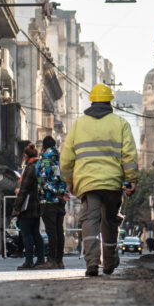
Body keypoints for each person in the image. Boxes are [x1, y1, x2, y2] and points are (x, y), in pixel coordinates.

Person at [60, 83, 139, 277]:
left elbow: (66, 158)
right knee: (110, 222)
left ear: (92, 101)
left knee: (90, 221)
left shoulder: (79, 124)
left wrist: (69, 180)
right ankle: (109, 262)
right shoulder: (120, 123)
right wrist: (131, 180)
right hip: (113, 183)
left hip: (87, 183)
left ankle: (92, 263)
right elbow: (129, 155)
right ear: (110, 101)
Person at [36, 135, 68, 269]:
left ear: (43, 146)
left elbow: (42, 181)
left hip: (49, 200)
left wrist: (56, 193)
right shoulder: (62, 159)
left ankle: (51, 260)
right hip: (61, 202)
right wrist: (62, 192)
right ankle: (59, 260)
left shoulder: (44, 159)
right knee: (59, 231)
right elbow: (65, 178)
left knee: (51, 232)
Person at [14, 144, 45, 270]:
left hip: (27, 206)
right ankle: (41, 259)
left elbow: (24, 189)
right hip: (37, 205)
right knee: (36, 233)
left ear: (26, 156)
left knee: (26, 234)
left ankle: (29, 260)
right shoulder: (38, 166)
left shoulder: (29, 168)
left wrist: (17, 207)